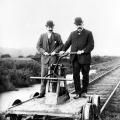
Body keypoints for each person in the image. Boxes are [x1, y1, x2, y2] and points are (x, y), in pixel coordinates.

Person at [60, 17, 94, 99]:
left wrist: (83, 51)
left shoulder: (89, 33)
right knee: (75, 76)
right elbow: (67, 43)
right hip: (75, 59)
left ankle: (84, 92)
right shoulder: (72, 34)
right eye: (77, 24)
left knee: (85, 75)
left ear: (83, 23)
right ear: (75, 25)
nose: (79, 26)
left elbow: (91, 45)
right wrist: (63, 50)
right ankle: (78, 92)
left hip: (85, 58)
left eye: (80, 24)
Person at [36, 20, 63, 98]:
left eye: (51, 27)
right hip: (44, 59)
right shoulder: (42, 36)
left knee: (53, 77)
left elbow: (61, 44)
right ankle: (42, 93)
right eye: (48, 27)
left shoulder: (57, 35)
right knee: (43, 76)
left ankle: (54, 93)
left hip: (54, 59)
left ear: (53, 27)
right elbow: (38, 46)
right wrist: (43, 52)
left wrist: (55, 51)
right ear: (46, 27)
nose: (50, 28)